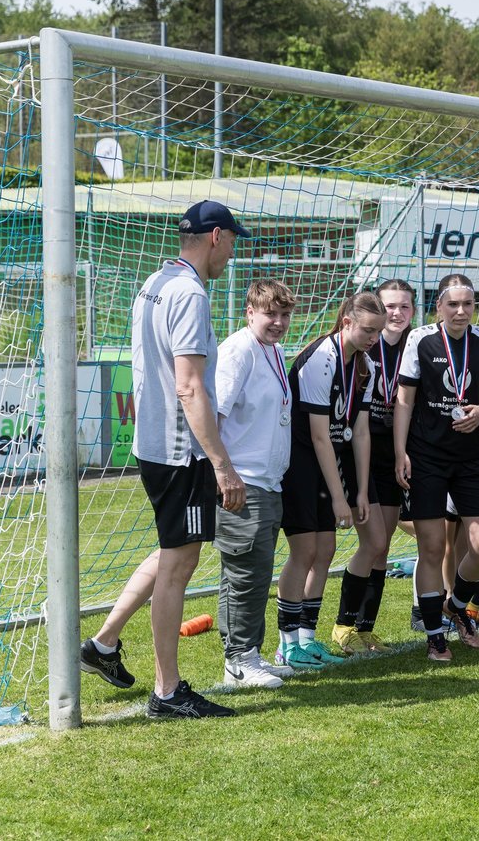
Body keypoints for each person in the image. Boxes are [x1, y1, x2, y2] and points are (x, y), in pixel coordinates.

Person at [78, 199, 249, 720]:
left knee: (172, 550)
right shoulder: (190, 293)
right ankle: (168, 692)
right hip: (182, 452)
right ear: (216, 237)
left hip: (156, 445)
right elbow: (189, 386)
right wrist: (221, 463)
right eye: (233, 241)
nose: (233, 253)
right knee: (181, 562)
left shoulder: (156, 281)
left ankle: (103, 644)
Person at [274, 292, 387, 670]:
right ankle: (286, 644)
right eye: (368, 330)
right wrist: (340, 498)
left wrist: (359, 490)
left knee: (324, 552)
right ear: (347, 323)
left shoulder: (366, 365)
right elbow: (320, 436)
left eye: (378, 331)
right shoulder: (323, 357)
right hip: (300, 462)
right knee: (304, 552)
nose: (373, 338)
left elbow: (361, 430)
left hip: (329, 463)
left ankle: (307, 638)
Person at [395, 273, 479, 663]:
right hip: (426, 455)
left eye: (468, 304)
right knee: (432, 545)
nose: (461, 311)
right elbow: (404, 400)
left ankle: (456, 605)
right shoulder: (420, 339)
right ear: (439, 306)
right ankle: (434, 635)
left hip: (471, 456)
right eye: (453, 304)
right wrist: (400, 452)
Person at [215, 279, 299, 690]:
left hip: (268, 483)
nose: (279, 322)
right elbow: (213, 415)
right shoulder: (238, 350)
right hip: (242, 483)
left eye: (285, 315)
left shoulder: (275, 351)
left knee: (253, 572)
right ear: (250, 312)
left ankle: (248, 654)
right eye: (271, 314)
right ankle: (238, 661)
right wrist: (224, 472)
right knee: (246, 573)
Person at [361, 278, 417, 645]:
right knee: (373, 543)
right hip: (363, 450)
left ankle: (364, 628)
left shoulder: (418, 345)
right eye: (390, 306)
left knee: (382, 546)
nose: (396, 313)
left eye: (404, 307)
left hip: (396, 453)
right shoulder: (365, 343)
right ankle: (344, 625)